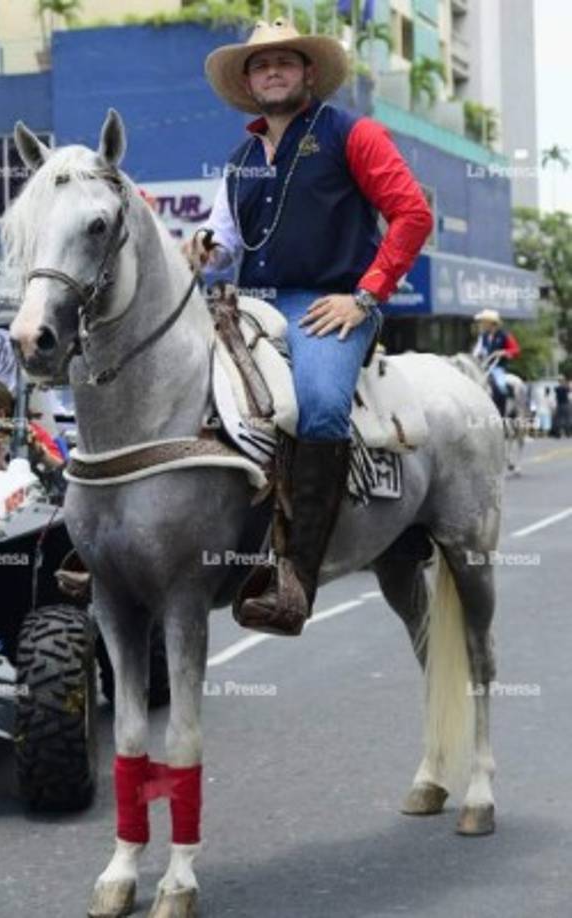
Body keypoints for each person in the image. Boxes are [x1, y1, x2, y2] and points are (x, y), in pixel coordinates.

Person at [186, 19, 433, 636]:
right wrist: (202, 248)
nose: (273, 71)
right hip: (249, 303)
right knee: (185, 385)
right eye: (261, 64)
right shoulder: (240, 159)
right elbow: (227, 242)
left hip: (330, 303)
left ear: (309, 73)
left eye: (285, 62)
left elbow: (411, 214)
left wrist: (366, 297)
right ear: (247, 81)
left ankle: (297, 574)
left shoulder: (354, 133)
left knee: (320, 403)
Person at [472, 309, 515, 417]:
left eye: (483, 322)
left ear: (491, 323)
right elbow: (477, 351)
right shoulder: (483, 336)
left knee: (501, 386)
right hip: (483, 367)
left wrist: (504, 352)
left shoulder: (504, 336)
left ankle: (503, 413)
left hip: (497, 367)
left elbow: (515, 349)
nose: (481, 325)